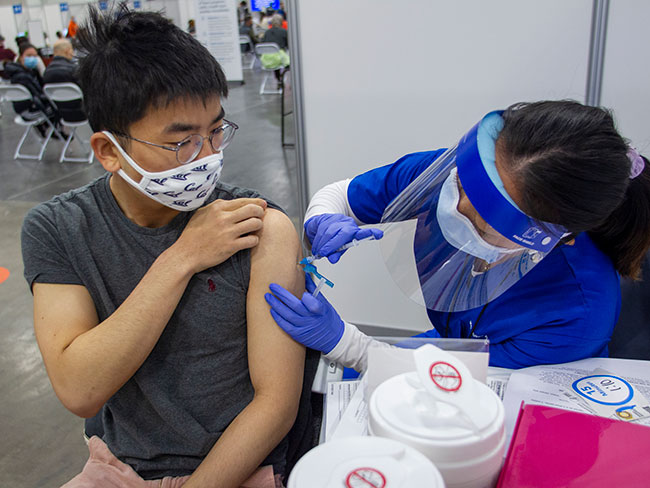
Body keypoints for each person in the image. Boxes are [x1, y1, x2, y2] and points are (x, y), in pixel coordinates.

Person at [22, 6, 311, 487]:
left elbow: (276, 403)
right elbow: (79, 388)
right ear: (110, 152)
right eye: (183, 143)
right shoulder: (59, 229)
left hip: (239, 465)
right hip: (118, 467)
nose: (209, 156)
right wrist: (182, 256)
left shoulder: (259, 227)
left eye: (216, 130)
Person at [265, 100, 650, 371]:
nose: (454, 207)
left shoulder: (577, 315)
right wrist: (321, 218)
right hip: (454, 342)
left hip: (510, 384)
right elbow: (339, 195)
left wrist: (344, 344)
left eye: (484, 219)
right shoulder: (448, 176)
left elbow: (473, 384)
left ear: (553, 237)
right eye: (463, 184)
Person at [4, 42, 62, 137]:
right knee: (61, 107)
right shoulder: (22, 76)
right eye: (29, 55)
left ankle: (50, 130)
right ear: (21, 56)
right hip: (29, 112)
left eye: (35, 56)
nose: (33, 59)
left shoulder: (28, 71)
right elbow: (36, 95)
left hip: (29, 109)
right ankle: (55, 131)